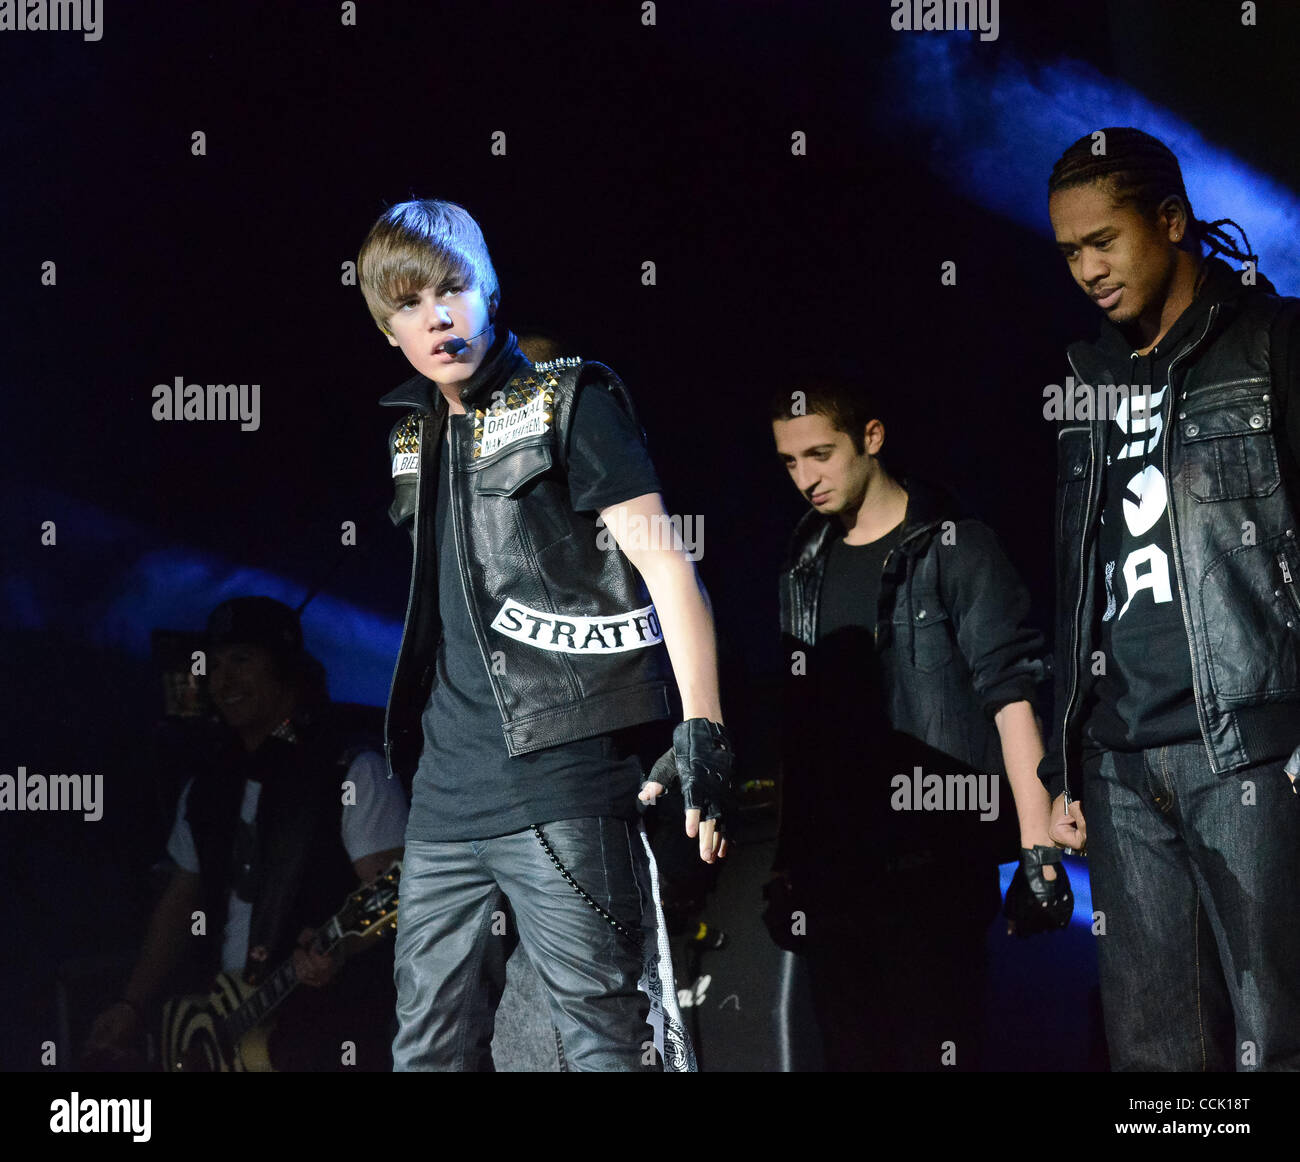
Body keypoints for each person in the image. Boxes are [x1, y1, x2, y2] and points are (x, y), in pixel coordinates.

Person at [356, 199, 733, 1072]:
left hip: (560, 770)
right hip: (446, 794)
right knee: (425, 1047)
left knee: (600, 1040)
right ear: (388, 330)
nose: (438, 316)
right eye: (410, 305)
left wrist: (702, 724)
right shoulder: (411, 438)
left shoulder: (570, 400)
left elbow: (669, 566)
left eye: (453, 289)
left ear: (488, 289)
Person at [1042, 127, 1300, 1071]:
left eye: (1103, 240)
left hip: (1248, 750)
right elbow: (1077, 579)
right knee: (1156, 1060)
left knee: (1278, 1040)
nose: (1087, 269)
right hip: (1118, 764)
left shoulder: (1274, 343)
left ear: (1172, 220)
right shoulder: (1081, 383)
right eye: (1069, 251)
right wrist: (1066, 756)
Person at [769, 379, 1068, 1071]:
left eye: (820, 453)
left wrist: (1036, 846)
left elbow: (1011, 693)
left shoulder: (954, 545)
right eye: (789, 462)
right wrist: (788, 862)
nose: (806, 478)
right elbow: (800, 724)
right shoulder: (802, 561)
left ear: (871, 438)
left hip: (932, 862)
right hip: (835, 873)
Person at [83, 596, 408, 1071]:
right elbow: (182, 898)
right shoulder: (207, 788)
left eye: (242, 660)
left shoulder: (352, 769)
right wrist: (132, 1004)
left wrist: (339, 948)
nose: (223, 680)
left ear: (285, 668)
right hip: (219, 1028)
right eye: (213, 664)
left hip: (324, 1035)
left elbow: (393, 889)